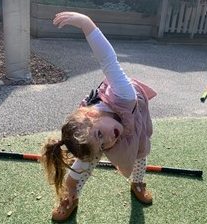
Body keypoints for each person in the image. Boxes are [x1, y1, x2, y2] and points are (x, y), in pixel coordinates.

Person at [40, 11, 157, 222]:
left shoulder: (123, 92)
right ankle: (71, 197)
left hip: (131, 114)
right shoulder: (89, 135)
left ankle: (137, 182)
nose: (109, 140)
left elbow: (108, 60)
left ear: (92, 114)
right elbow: (95, 144)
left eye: (100, 135)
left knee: (140, 153)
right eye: (102, 143)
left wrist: (86, 24)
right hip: (102, 127)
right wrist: (96, 147)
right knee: (81, 166)